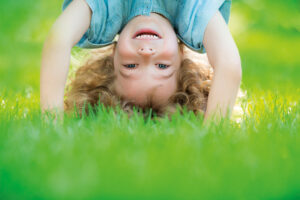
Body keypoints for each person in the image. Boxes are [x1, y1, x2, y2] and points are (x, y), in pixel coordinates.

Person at [40, 0, 241, 120]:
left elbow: (59, 39)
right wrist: (212, 135)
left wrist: (51, 125)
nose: (146, 53)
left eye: (130, 66)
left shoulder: (106, 11)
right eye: (162, 66)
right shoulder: (192, 15)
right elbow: (228, 65)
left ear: (113, 56)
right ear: (181, 56)